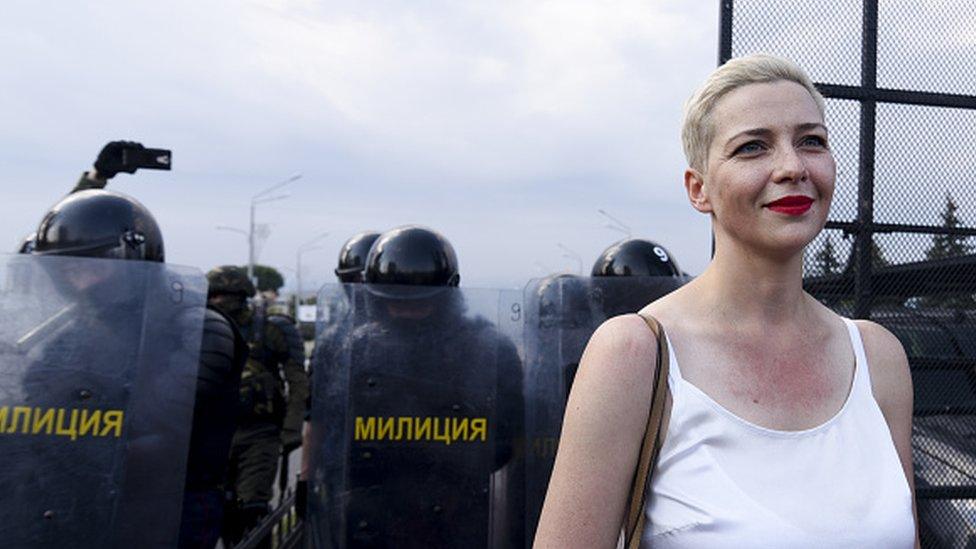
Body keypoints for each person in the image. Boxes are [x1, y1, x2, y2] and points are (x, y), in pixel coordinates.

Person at [535, 54, 917, 547]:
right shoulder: (635, 354)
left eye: (812, 141)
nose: (792, 167)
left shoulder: (877, 356)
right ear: (699, 189)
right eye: (753, 147)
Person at [22, 144, 246, 549]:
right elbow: (30, 409)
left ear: (131, 258)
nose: (77, 281)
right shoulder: (68, 336)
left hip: (166, 509)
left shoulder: (195, 329)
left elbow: (157, 425)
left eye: (90, 267)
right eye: (68, 270)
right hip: (72, 501)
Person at [310, 225, 524, 548]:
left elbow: (507, 443)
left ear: (448, 295)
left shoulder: (488, 349)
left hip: (456, 519)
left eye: (419, 304)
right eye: (395, 304)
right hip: (368, 519)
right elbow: (331, 434)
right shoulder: (352, 349)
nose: (406, 313)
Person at [207, 265, 309, 545]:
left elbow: (298, 381)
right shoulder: (200, 329)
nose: (219, 302)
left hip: (259, 433)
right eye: (214, 295)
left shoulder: (270, 329)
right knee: (216, 508)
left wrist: (291, 430)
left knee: (250, 508)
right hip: (213, 434)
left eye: (226, 295)